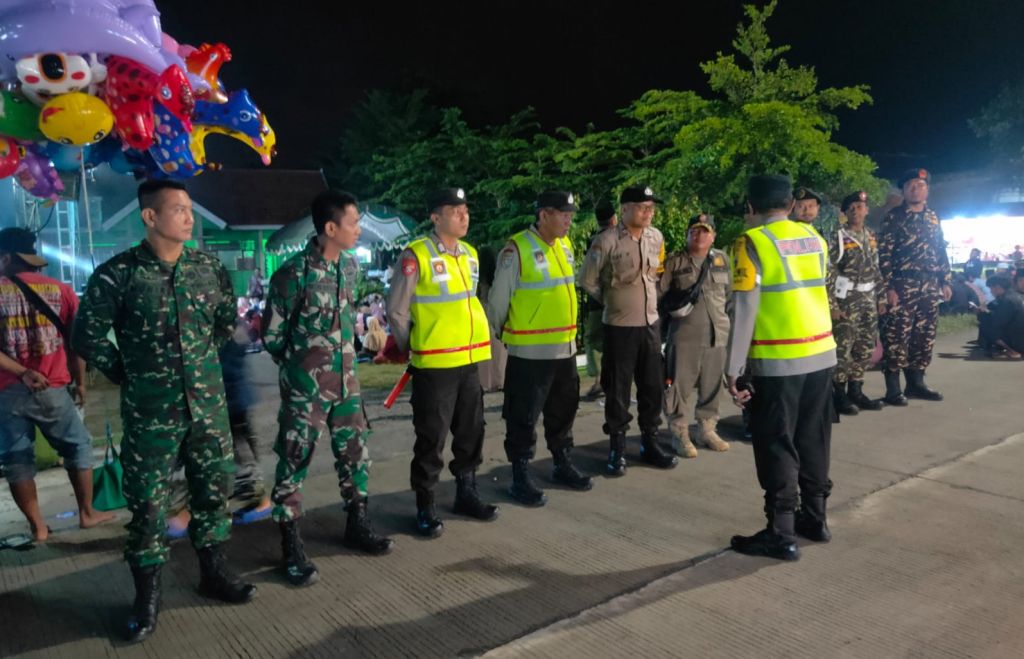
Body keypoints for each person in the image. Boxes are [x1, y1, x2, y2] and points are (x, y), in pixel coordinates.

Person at [73, 180, 255, 643]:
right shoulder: (118, 275)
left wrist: (198, 369)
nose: (189, 217)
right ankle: (147, 598)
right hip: (151, 413)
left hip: (208, 408)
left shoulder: (208, 268)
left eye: (191, 208)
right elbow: (87, 338)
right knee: (150, 506)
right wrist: (133, 374)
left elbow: (223, 326)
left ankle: (214, 573)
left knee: (213, 494)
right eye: (179, 210)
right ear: (150, 217)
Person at [263, 190, 394, 588]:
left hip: (348, 383)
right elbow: (272, 335)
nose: (358, 230)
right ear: (330, 228)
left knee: (356, 453)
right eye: (352, 223)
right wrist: (303, 367)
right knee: (295, 458)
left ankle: (357, 522)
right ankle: (289, 542)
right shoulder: (293, 273)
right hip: (307, 388)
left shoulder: (350, 267)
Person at [726, 174, 838, 561]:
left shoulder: (751, 242)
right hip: (821, 353)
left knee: (776, 444)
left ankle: (781, 533)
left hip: (777, 361)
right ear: (791, 205)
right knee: (813, 438)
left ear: (751, 207)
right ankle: (816, 518)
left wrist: (733, 368)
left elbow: (745, 308)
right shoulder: (815, 239)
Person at [386, 187, 498, 537]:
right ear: (436, 217)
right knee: (431, 437)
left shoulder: (470, 254)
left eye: (466, 210)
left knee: (471, 431)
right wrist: (414, 347)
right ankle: (425, 504)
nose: (464, 216)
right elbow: (397, 311)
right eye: (455, 211)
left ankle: (467, 492)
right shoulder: (415, 255)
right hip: (434, 365)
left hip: (469, 360)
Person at [0, 228, 116, 542]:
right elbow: (75, 344)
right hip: (52, 387)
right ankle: (87, 513)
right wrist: (81, 383)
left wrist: (20, 372)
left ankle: (37, 527)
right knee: (77, 446)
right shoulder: (61, 290)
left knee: (17, 459)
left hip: (5, 392)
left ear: (7, 258)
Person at [486, 190, 594, 507]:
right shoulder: (516, 249)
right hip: (529, 354)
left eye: (571, 214)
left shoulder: (565, 245)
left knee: (563, 411)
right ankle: (520, 476)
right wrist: (509, 335)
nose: (569, 220)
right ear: (544, 214)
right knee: (523, 417)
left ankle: (562, 463)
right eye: (563, 214)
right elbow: (497, 305)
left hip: (564, 350)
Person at [579, 185, 678, 476]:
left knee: (651, 387)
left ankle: (650, 443)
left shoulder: (656, 237)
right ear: (624, 209)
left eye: (651, 207)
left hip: (650, 323)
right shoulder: (607, 240)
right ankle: (617, 448)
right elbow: (587, 280)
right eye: (641, 207)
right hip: (620, 326)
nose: (648, 212)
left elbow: (655, 275)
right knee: (618, 389)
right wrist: (612, 299)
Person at [659, 214, 732, 458]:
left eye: (704, 231)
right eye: (693, 231)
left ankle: (706, 428)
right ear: (687, 234)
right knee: (678, 387)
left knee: (713, 385)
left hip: (717, 334)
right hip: (684, 337)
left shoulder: (722, 259)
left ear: (713, 236)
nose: (698, 235)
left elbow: (729, 296)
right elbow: (660, 297)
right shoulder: (675, 262)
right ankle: (679, 432)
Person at [877, 168, 952, 405]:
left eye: (920, 185)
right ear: (903, 190)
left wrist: (946, 280)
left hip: (929, 285)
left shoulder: (933, 217)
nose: (915, 188)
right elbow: (884, 254)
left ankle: (916, 384)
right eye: (910, 185)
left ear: (927, 190)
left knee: (924, 335)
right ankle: (893, 389)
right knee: (897, 335)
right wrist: (888, 287)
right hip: (902, 284)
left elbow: (940, 250)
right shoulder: (894, 217)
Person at [827, 191, 885, 415]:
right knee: (843, 348)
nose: (856, 212)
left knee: (865, 346)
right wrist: (833, 305)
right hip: (847, 300)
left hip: (868, 299)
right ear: (845, 213)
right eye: (851, 208)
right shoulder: (838, 237)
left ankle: (856, 390)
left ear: (866, 210)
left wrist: (880, 297)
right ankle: (839, 394)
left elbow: (876, 268)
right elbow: (829, 273)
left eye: (860, 207)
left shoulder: (870, 235)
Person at [581, 202, 617, 401]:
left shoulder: (593, 241)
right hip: (620, 299)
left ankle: (598, 381)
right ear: (614, 219)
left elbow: (588, 276)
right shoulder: (623, 238)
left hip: (597, 299)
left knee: (593, 339)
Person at [977, 275, 1024, 358]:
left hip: (1019, 340)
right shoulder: (1019, 296)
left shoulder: (1007, 300)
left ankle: (1013, 351)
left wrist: (983, 313)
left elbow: (998, 322)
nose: (991, 291)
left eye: (991, 288)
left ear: (997, 287)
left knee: (988, 327)